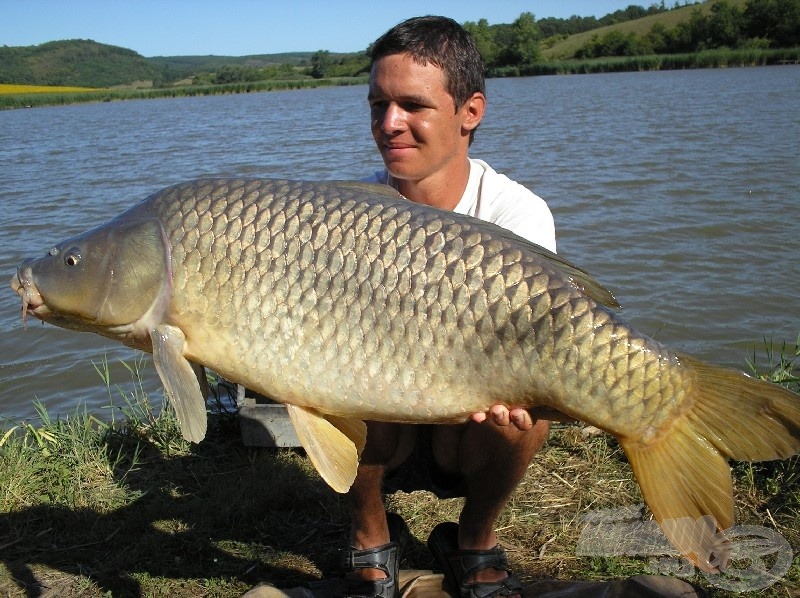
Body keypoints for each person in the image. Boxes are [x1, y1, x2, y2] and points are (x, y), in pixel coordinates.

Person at [328, 16, 556, 598]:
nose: (388, 124)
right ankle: (369, 532)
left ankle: (473, 537)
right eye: (377, 104)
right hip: (384, 422)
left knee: (531, 409)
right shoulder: (347, 210)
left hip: (472, 423)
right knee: (329, 366)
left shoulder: (517, 214)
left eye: (412, 105)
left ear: (470, 112)